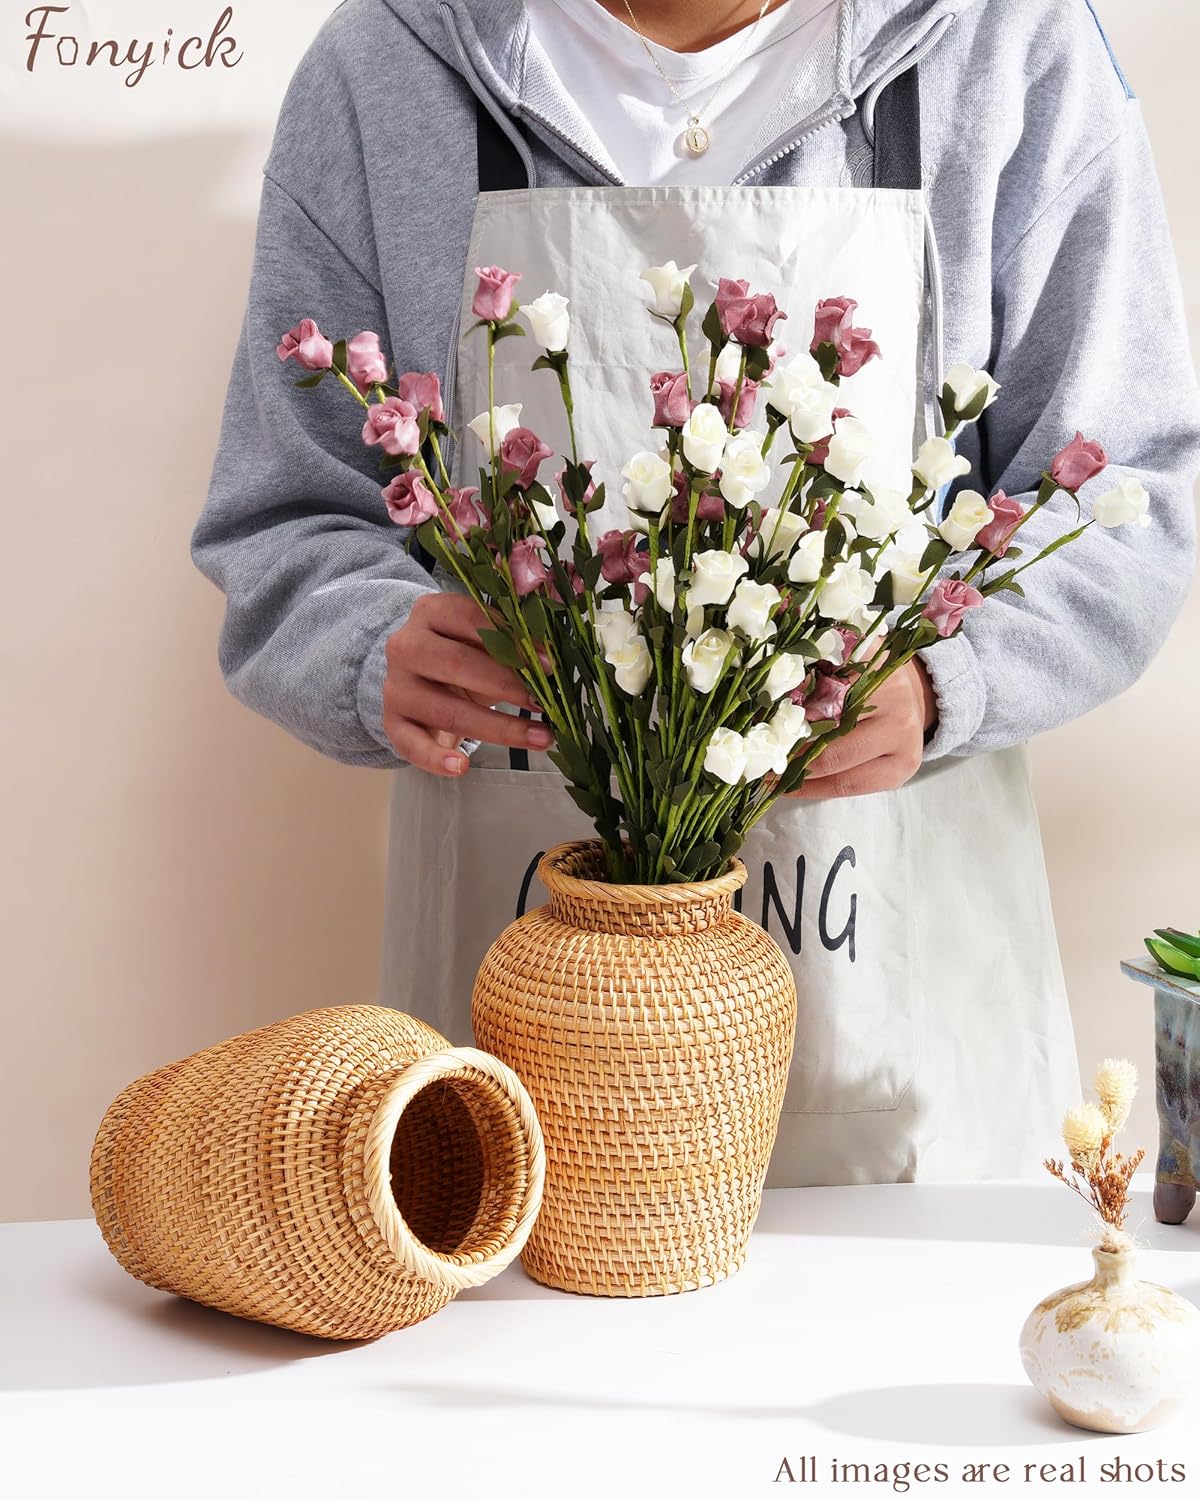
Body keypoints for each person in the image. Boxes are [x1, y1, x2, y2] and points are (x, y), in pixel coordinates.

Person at [192, 0, 1199, 1186]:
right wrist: (371, 647)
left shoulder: (1005, 46)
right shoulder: (387, 67)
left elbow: (1130, 485)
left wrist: (947, 679)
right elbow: (283, 514)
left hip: (912, 1047)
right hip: (518, 1052)